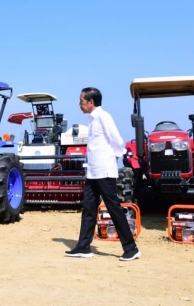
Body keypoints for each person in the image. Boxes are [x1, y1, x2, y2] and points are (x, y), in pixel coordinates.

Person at [65, 87, 141, 261]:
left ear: (91, 102)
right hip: (93, 172)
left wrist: (113, 157)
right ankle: (83, 247)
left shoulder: (103, 117)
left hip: (104, 171)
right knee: (89, 209)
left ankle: (131, 248)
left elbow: (117, 140)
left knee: (114, 208)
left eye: (81, 101)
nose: (79, 104)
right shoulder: (92, 120)